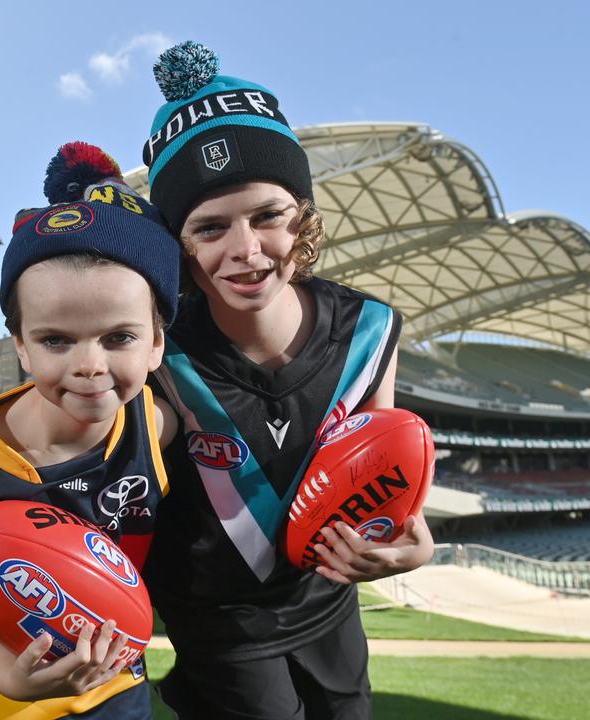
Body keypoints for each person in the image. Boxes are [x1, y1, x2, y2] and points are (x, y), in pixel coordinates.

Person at [138, 42, 436, 719]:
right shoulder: (157, 353)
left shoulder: (370, 331)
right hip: (219, 625)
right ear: (178, 244)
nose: (245, 250)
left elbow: (381, 473)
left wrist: (407, 540)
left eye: (267, 214)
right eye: (209, 227)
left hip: (329, 605)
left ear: (301, 213)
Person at [0, 142, 181, 719]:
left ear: (157, 343)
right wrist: (11, 680)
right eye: (57, 340)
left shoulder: (155, 424)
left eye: (119, 338)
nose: (90, 365)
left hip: (113, 681)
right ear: (23, 347)